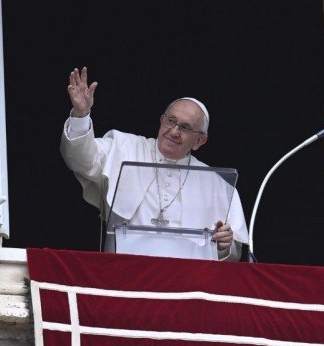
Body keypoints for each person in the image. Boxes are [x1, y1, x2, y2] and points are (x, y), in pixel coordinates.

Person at [60, 67, 247, 261]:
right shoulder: (124, 147)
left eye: (185, 127)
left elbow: (232, 253)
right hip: (124, 275)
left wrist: (225, 247)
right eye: (171, 121)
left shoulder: (217, 185)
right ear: (161, 120)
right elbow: (80, 159)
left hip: (187, 284)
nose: (174, 131)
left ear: (200, 141)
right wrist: (80, 116)